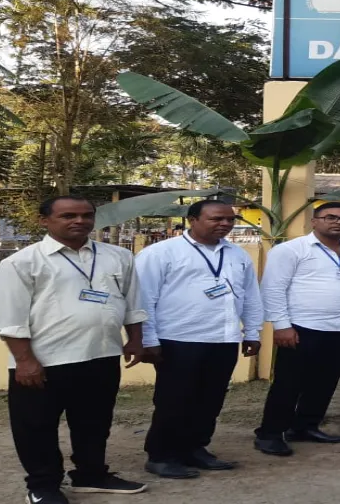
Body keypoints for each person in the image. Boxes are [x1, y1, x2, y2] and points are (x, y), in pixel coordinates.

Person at [0, 196, 149, 504]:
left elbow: (133, 303)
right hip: (45, 361)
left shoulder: (117, 256)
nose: (79, 221)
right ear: (44, 221)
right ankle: (42, 486)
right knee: (36, 427)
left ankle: (90, 475)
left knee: (95, 422)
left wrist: (135, 339)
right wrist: (25, 361)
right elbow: (9, 319)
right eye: (68, 215)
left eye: (86, 215)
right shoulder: (22, 262)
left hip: (101, 355)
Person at [136, 200, 264, 479]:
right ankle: (161, 455)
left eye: (230, 220)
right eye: (217, 219)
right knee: (174, 399)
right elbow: (143, 298)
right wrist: (148, 339)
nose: (225, 224)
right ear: (192, 220)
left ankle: (195, 448)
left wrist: (252, 332)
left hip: (224, 338)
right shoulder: (160, 253)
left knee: (211, 398)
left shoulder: (237, 255)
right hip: (178, 338)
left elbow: (251, 295)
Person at [253, 202, 340, 457]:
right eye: (331, 217)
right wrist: (282, 326)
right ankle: (270, 433)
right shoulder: (291, 250)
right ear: (314, 221)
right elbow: (272, 289)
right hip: (302, 328)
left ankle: (305, 426)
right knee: (289, 383)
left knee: (324, 383)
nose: (339, 222)